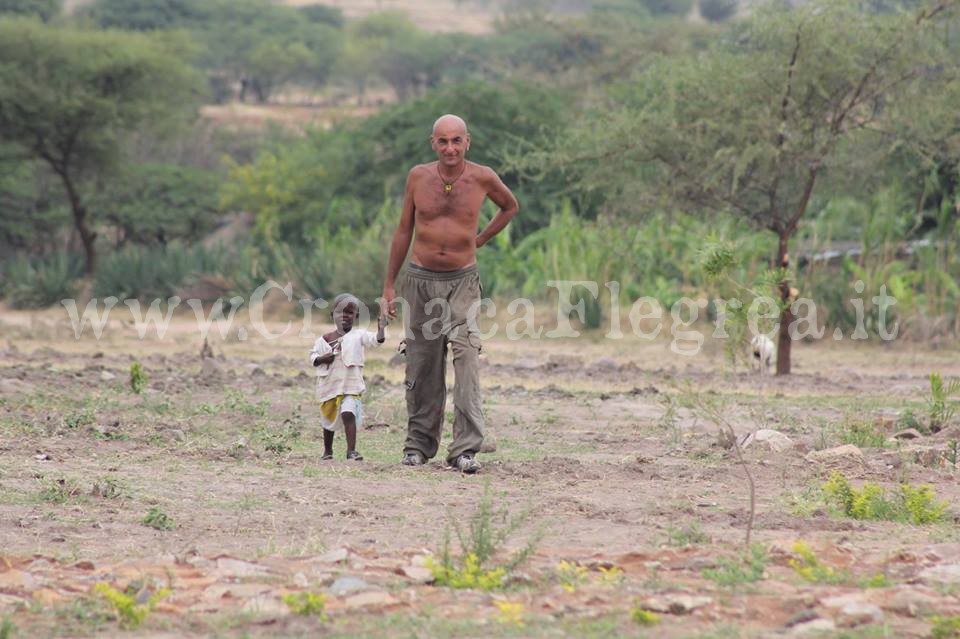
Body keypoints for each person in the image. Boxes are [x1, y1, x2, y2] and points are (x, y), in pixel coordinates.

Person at [381, 114, 519, 474]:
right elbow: (402, 231)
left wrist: (483, 238)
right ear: (433, 144)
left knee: (467, 358)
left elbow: (510, 206)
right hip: (420, 281)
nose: (450, 148)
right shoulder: (418, 177)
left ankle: (465, 450)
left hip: (462, 282)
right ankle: (418, 446)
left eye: (456, 141)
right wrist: (388, 287)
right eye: (443, 141)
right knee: (422, 363)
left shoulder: (482, 177)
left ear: (467, 142)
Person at [310, 293, 386, 461]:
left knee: (348, 413)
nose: (345, 316)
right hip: (330, 386)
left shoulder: (359, 335)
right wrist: (323, 358)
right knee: (328, 420)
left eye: (350, 312)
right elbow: (313, 357)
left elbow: (376, 340)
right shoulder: (324, 340)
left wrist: (381, 328)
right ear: (332, 315)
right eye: (340, 312)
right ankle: (327, 451)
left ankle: (351, 451)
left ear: (356, 316)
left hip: (351, 386)